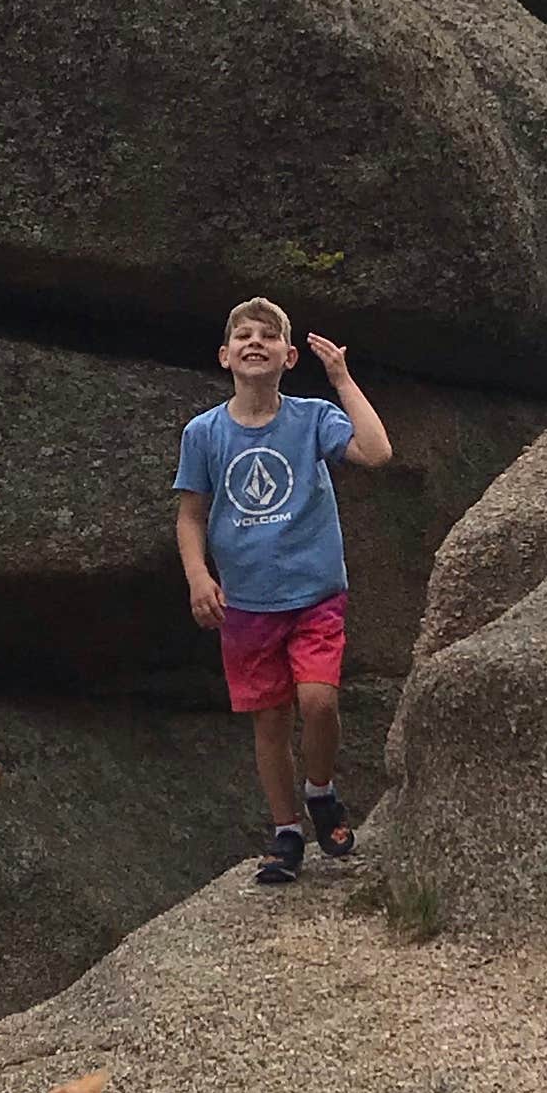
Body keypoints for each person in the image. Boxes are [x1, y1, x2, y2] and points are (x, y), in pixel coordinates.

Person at [173, 297, 394, 887]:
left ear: (288, 356)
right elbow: (191, 514)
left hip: (315, 593)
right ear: (224, 355)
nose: (254, 343)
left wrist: (342, 377)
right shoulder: (205, 432)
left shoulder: (311, 417)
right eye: (242, 336)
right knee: (269, 723)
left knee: (319, 702)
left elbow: (376, 452)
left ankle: (321, 791)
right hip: (246, 604)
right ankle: (286, 833)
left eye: (267, 337)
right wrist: (199, 576)